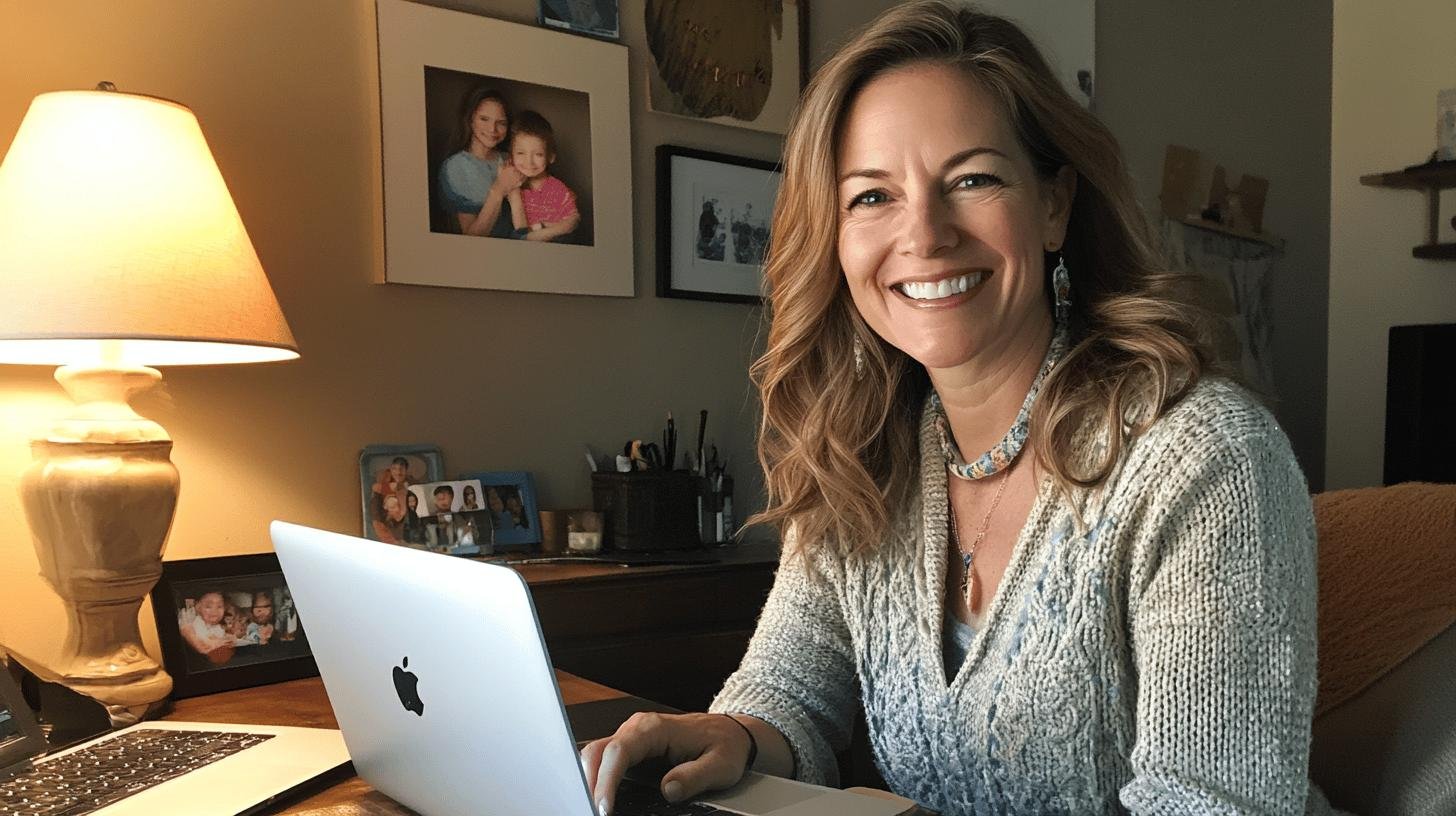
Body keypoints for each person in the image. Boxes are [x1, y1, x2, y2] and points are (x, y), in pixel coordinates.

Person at [581, 3, 1330, 815]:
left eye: (972, 179)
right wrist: (735, 731)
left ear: (1053, 205)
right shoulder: (860, 452)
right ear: (834, 235)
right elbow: (790, 688)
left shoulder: (1205, 459)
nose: (925, 234)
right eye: (872, 196)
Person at [437, 87, 524, 237]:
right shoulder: (455, 167)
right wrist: (499, 189)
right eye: (484, 119)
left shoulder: (513, 159)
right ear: (470, 120)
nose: (492, 129)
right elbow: (472, 237)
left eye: (501, 123)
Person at [506, 111, 581, 242]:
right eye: (520, 153)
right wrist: (514, 192)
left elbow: (572, 223)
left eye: (538, 154)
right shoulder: (512, 187)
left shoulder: (557, 189)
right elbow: (520, 230)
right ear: (511, 156)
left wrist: (541, 229)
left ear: (550, 157)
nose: (529, 162)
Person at [178, 590, 233, 659]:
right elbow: (203, 645)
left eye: (219, 606)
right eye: (208, 606)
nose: (214, 610)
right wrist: (218, 643)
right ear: (198, 607)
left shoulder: (218, 627)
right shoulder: (195, 622)